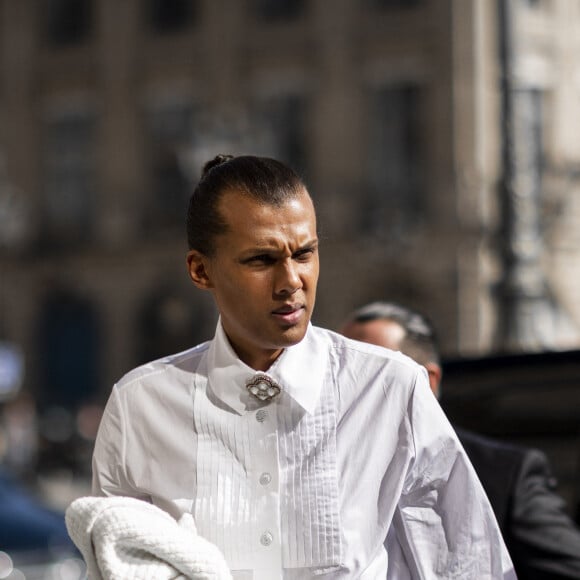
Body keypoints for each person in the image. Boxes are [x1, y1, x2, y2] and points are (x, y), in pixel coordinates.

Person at [90, 155, 515, 578]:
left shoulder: (390, 387)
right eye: (261, 260)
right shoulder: (140, 406)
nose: (291, 281)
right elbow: (115, 566)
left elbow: (466, 566)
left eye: (305, 253)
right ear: (201, 270)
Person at [339, 300, 580, 580]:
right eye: (341, 375)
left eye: (370, 375)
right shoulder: (326, 468)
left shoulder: (504, 474)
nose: (348, 391)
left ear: (427, 381)